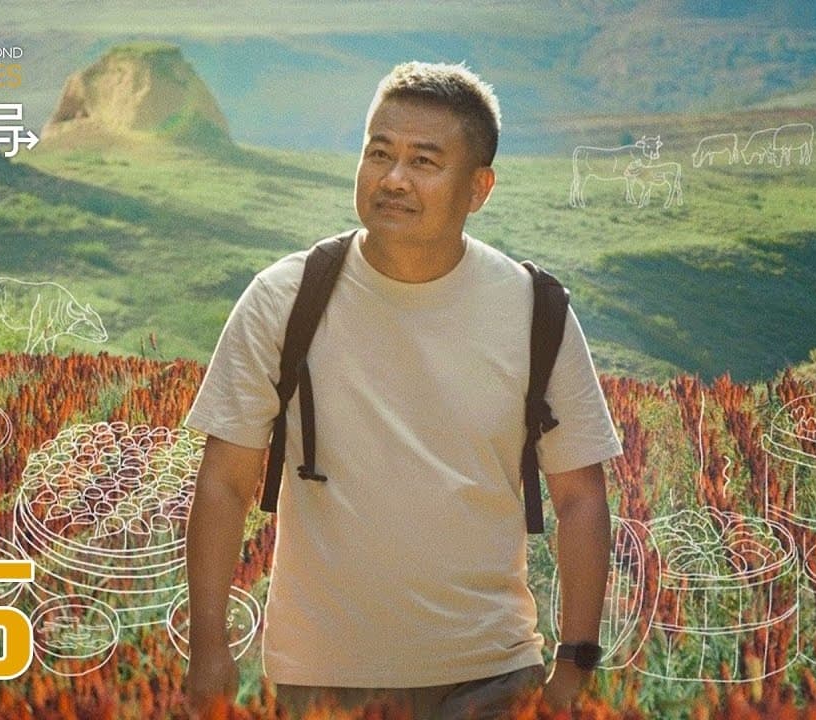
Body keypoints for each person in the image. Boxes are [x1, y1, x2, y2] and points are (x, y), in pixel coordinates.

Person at [181, 61, 622, 718]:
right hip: (323, 676)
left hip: (492, 672)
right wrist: (208, 648)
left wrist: (575, 662)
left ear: (479, 188)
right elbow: (223, 482)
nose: (393, 178)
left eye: (423, 161)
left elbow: (580, 497)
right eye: (379, 153)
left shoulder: (536, 311)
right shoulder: (284, 299)